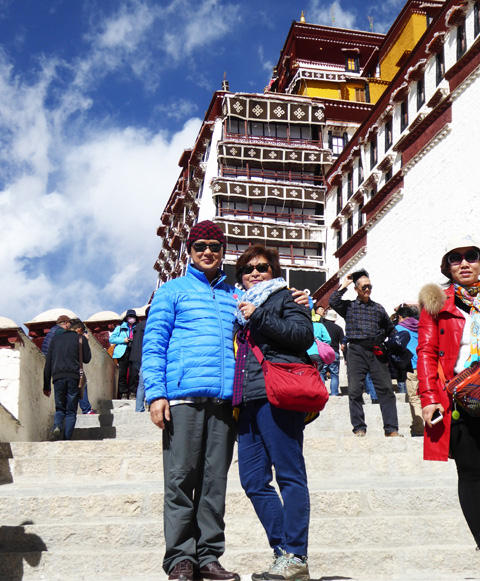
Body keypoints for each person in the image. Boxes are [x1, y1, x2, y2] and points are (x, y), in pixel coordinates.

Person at [142, 221, 309, 581]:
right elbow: (154, 343)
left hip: (226, 402)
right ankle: (180, 559)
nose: (207, 252)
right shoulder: (172, 291)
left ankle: (208, 556)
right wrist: (155, 393)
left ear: (222, 253)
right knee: (181, 479)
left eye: (215, 247)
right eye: (200, 245)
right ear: (190, 250)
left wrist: (298, 299)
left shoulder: (236, 297)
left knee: (215, 481)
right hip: (183, 398)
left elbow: (270, 309)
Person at [232, 245, 313, 581]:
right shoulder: (237, 308)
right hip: (245, 399)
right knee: (252, 480)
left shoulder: (285, 298)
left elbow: (303, 336)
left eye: (263, 267)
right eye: (248, 268)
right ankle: (283, 554)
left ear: (274, 271)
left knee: (290, 475)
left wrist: (260, 315)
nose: (255, 272)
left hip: (278, 394)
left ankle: (296, 555)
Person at [417, 235, 480, 549]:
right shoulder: (437, 303)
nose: (464, 263)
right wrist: (428, 398)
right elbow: (426, 353)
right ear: (447, 266)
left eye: (471, 255)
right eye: (456, 258)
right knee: (471, 473)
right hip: (461, 400)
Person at [329, 268, 400, 437]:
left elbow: (391, 330)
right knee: (354, 390)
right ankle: (359, 427)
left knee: (386, 390)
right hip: (355, 350)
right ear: (356, 289)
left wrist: (394, 343)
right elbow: (333, 300)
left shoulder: (378, 308)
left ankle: (391, 429)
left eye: (369, 287)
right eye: (363, 287)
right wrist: (344, 284)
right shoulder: (349, 307)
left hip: (376, 349)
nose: (367, 290)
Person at [43, 318, 91, 440]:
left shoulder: (55, 339)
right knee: (71, 411)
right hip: (73, 377)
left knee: (60, 408)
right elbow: (87, 359)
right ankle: (66, 439)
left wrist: (46, 385)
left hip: (57, 377)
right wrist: (86, 341)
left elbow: (48, 362)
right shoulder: (81, 339)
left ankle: (57, 425)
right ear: (79, 329)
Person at [391, 306, 423, 436]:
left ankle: (419, 429)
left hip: (412, 367)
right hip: (426, 365)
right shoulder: (422, 326)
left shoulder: (398, 328)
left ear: (400, 317)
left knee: (414, 398)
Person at [110, 309, 138, 400]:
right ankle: (123, 393)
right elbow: (112, 339)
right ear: (126, 318)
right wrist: (123, 340)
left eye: (133, 317)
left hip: (133, 350)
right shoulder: (120, 328)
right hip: (123, 351)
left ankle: (133, 392)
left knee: (134, 373)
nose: (131, 319)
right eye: (130, 317)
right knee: (123, 373)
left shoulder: (137, 328)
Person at [130, 306, 150, 412]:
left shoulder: (138, 325)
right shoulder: (149, 325)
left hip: (135, 357)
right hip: (145, 356)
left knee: (141, 382)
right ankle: (142, 407)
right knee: (145, 382)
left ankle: (139, 407)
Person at [320, 310, 344, 396]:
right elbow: (343, 344)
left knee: (321, 372)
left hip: (323, 352)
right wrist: (345, 357)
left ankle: (322, 392)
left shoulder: (321, 327)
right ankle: (334, 393)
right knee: (334, 374)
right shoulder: (339, 328)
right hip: (334, 352)